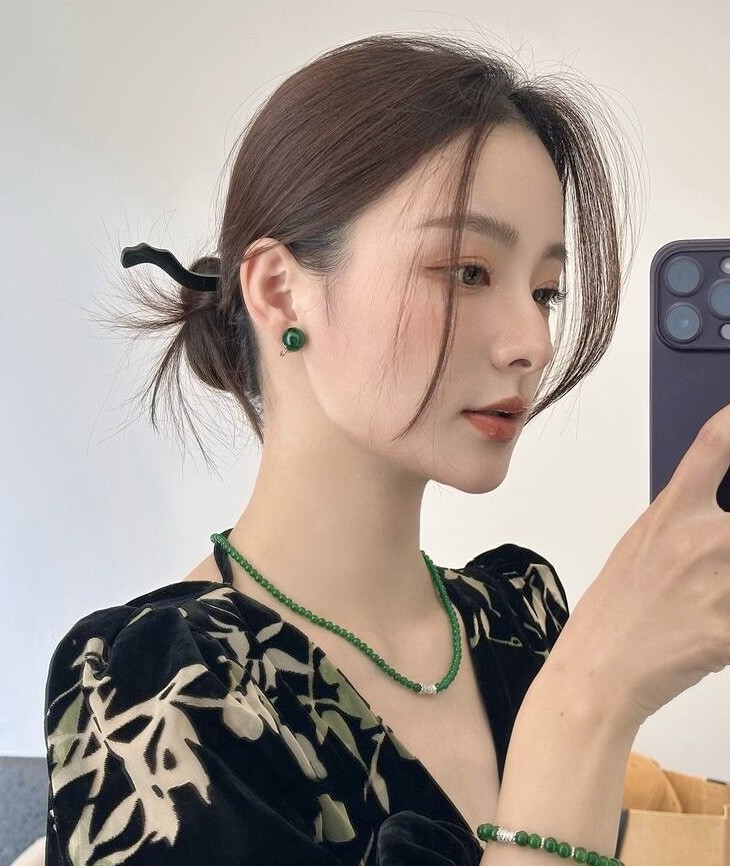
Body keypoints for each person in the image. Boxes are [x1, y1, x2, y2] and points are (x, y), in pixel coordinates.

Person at [43, 31, 665, 866]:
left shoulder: (519, 622)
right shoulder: (154, 695)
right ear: (279, 289)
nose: (533, 342)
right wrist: (591, 705)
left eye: (545, 291)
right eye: (468, 271)